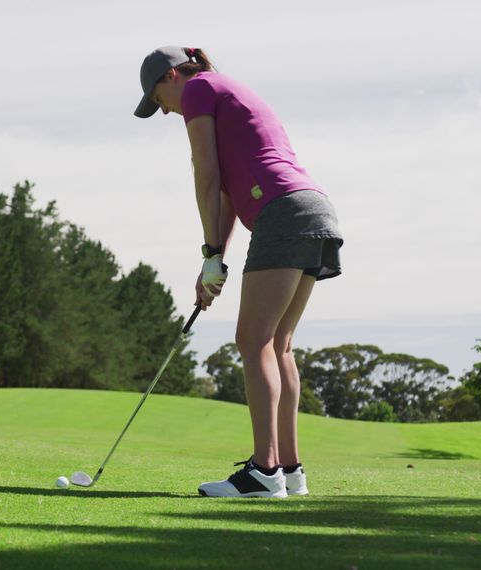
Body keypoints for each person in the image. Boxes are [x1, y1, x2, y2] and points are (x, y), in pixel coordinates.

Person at [133, 46, 344, 498]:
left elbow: (204, 175)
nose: (167, 111)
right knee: (279, 344)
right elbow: (227, 196)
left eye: (159, 99)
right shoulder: (228, 90)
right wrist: (215, 260)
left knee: (253, 340)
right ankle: (289, 471)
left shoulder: (199, 89)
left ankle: (263, 472)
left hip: (283, 213)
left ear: (172, 76)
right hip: (313, 209)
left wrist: (210, 252)